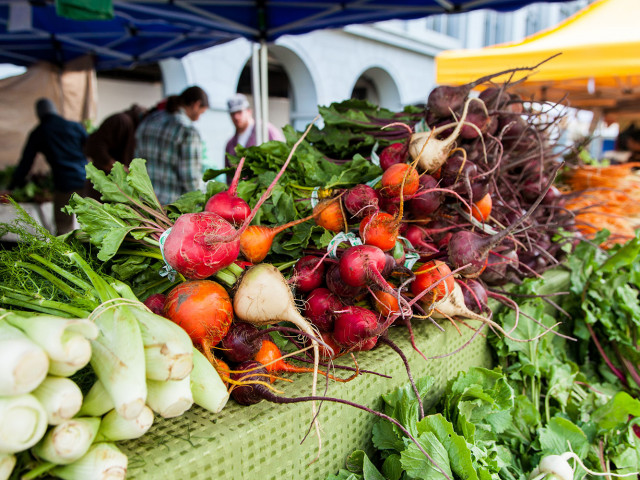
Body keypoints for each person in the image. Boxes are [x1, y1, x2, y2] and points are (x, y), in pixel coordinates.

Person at [8, 98, 88, 235]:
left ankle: (65, 256)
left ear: (39, 114)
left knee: (64, 229)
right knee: (90, 225)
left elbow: (26, 163)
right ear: (54, 110)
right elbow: (90, 147)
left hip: (65, 183)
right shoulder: (74, 126)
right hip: (87, 179)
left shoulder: (40, 132)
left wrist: (12, 186)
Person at [134, 86, 209, 205]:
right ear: (196, 104)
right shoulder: (187, 131)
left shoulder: (148, 121)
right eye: (201, 112)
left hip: (144, 205)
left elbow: (136, 164)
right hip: (172, 208)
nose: (198, 118)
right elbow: (191, 179)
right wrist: (204, 201)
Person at [83, 103, 148, 199]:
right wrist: (122, 171)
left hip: (118, 193)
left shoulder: (138, 128)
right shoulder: (121, 121)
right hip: (103, 191)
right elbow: (94, 148)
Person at [224, 93, 285, 170]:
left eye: (239, 112)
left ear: (249, 111)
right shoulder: (230, 144)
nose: (236, 117)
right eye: (233, 114)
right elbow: (228, 174)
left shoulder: (266, 131)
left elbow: (282, 160)